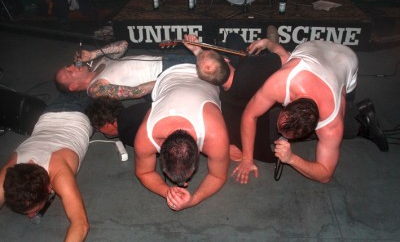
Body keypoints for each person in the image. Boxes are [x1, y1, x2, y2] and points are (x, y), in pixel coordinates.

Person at [233, 38, 388, 184]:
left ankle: (359, 117)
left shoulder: (331, 124)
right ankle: (360, 113)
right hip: (313, 47)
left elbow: (325, 175)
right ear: (286, 105)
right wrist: (247, 159)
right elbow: (249, 114)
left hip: (345, 59)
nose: (282, 136)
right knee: (266, 123)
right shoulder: (279, 83)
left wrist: (292, 158)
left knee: (340, 124)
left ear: (313, 128)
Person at [134, 63, 230, 211]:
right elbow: (143, 172)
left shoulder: (215, 134)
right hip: (168, 72)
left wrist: (194, 200)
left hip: (207, 70)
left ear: (199, 152)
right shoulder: (145, 137)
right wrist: (167, 191)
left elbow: (218, 176)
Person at [0, 92, 93, 242]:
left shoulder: (59, 174)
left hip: (83, 111)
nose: (31, 216)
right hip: (49, 113)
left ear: (49, 188)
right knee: (78, 82)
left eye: (35, 210)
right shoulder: (8, 176)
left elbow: (80, 224)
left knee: (100, 81)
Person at [182, 31, 282, 162]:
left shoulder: (221, 98)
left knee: (232, 38)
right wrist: (267, 43)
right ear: (226, 59)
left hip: (252, 97)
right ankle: (271, 47)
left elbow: (209, 68)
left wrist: (197, 50)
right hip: (273, 100)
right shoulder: (250, 67)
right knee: (234, 37)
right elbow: (285, 58)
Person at [55, 40, 196, 100]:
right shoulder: (96, 89)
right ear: (73, 86)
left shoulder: (98, 64)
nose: (72, 66)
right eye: (69, 72)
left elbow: (123, 45)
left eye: (69, 66)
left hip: (164, 60)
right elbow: (136, 92)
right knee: (211, 67)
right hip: (164, 72)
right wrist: (166, 77)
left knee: (211, 65)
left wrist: (94, 54)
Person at [86, 96, 151, 146]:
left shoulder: (125, 134)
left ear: (107, 125)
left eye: (98, 128)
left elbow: (150, 151)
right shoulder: (134, 108)